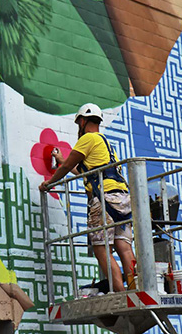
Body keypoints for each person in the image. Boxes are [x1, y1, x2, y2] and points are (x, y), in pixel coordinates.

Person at [39, 103, 136, 292]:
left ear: (82, 121)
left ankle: (122, 295)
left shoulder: (87, 138)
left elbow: (67, 167)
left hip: (104, 200)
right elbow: (87, 173)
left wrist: (49, 183)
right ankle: (136, 289)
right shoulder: (105, 143)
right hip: (122, 200)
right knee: (123, 248)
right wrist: (61, 161)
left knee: (102, 250)